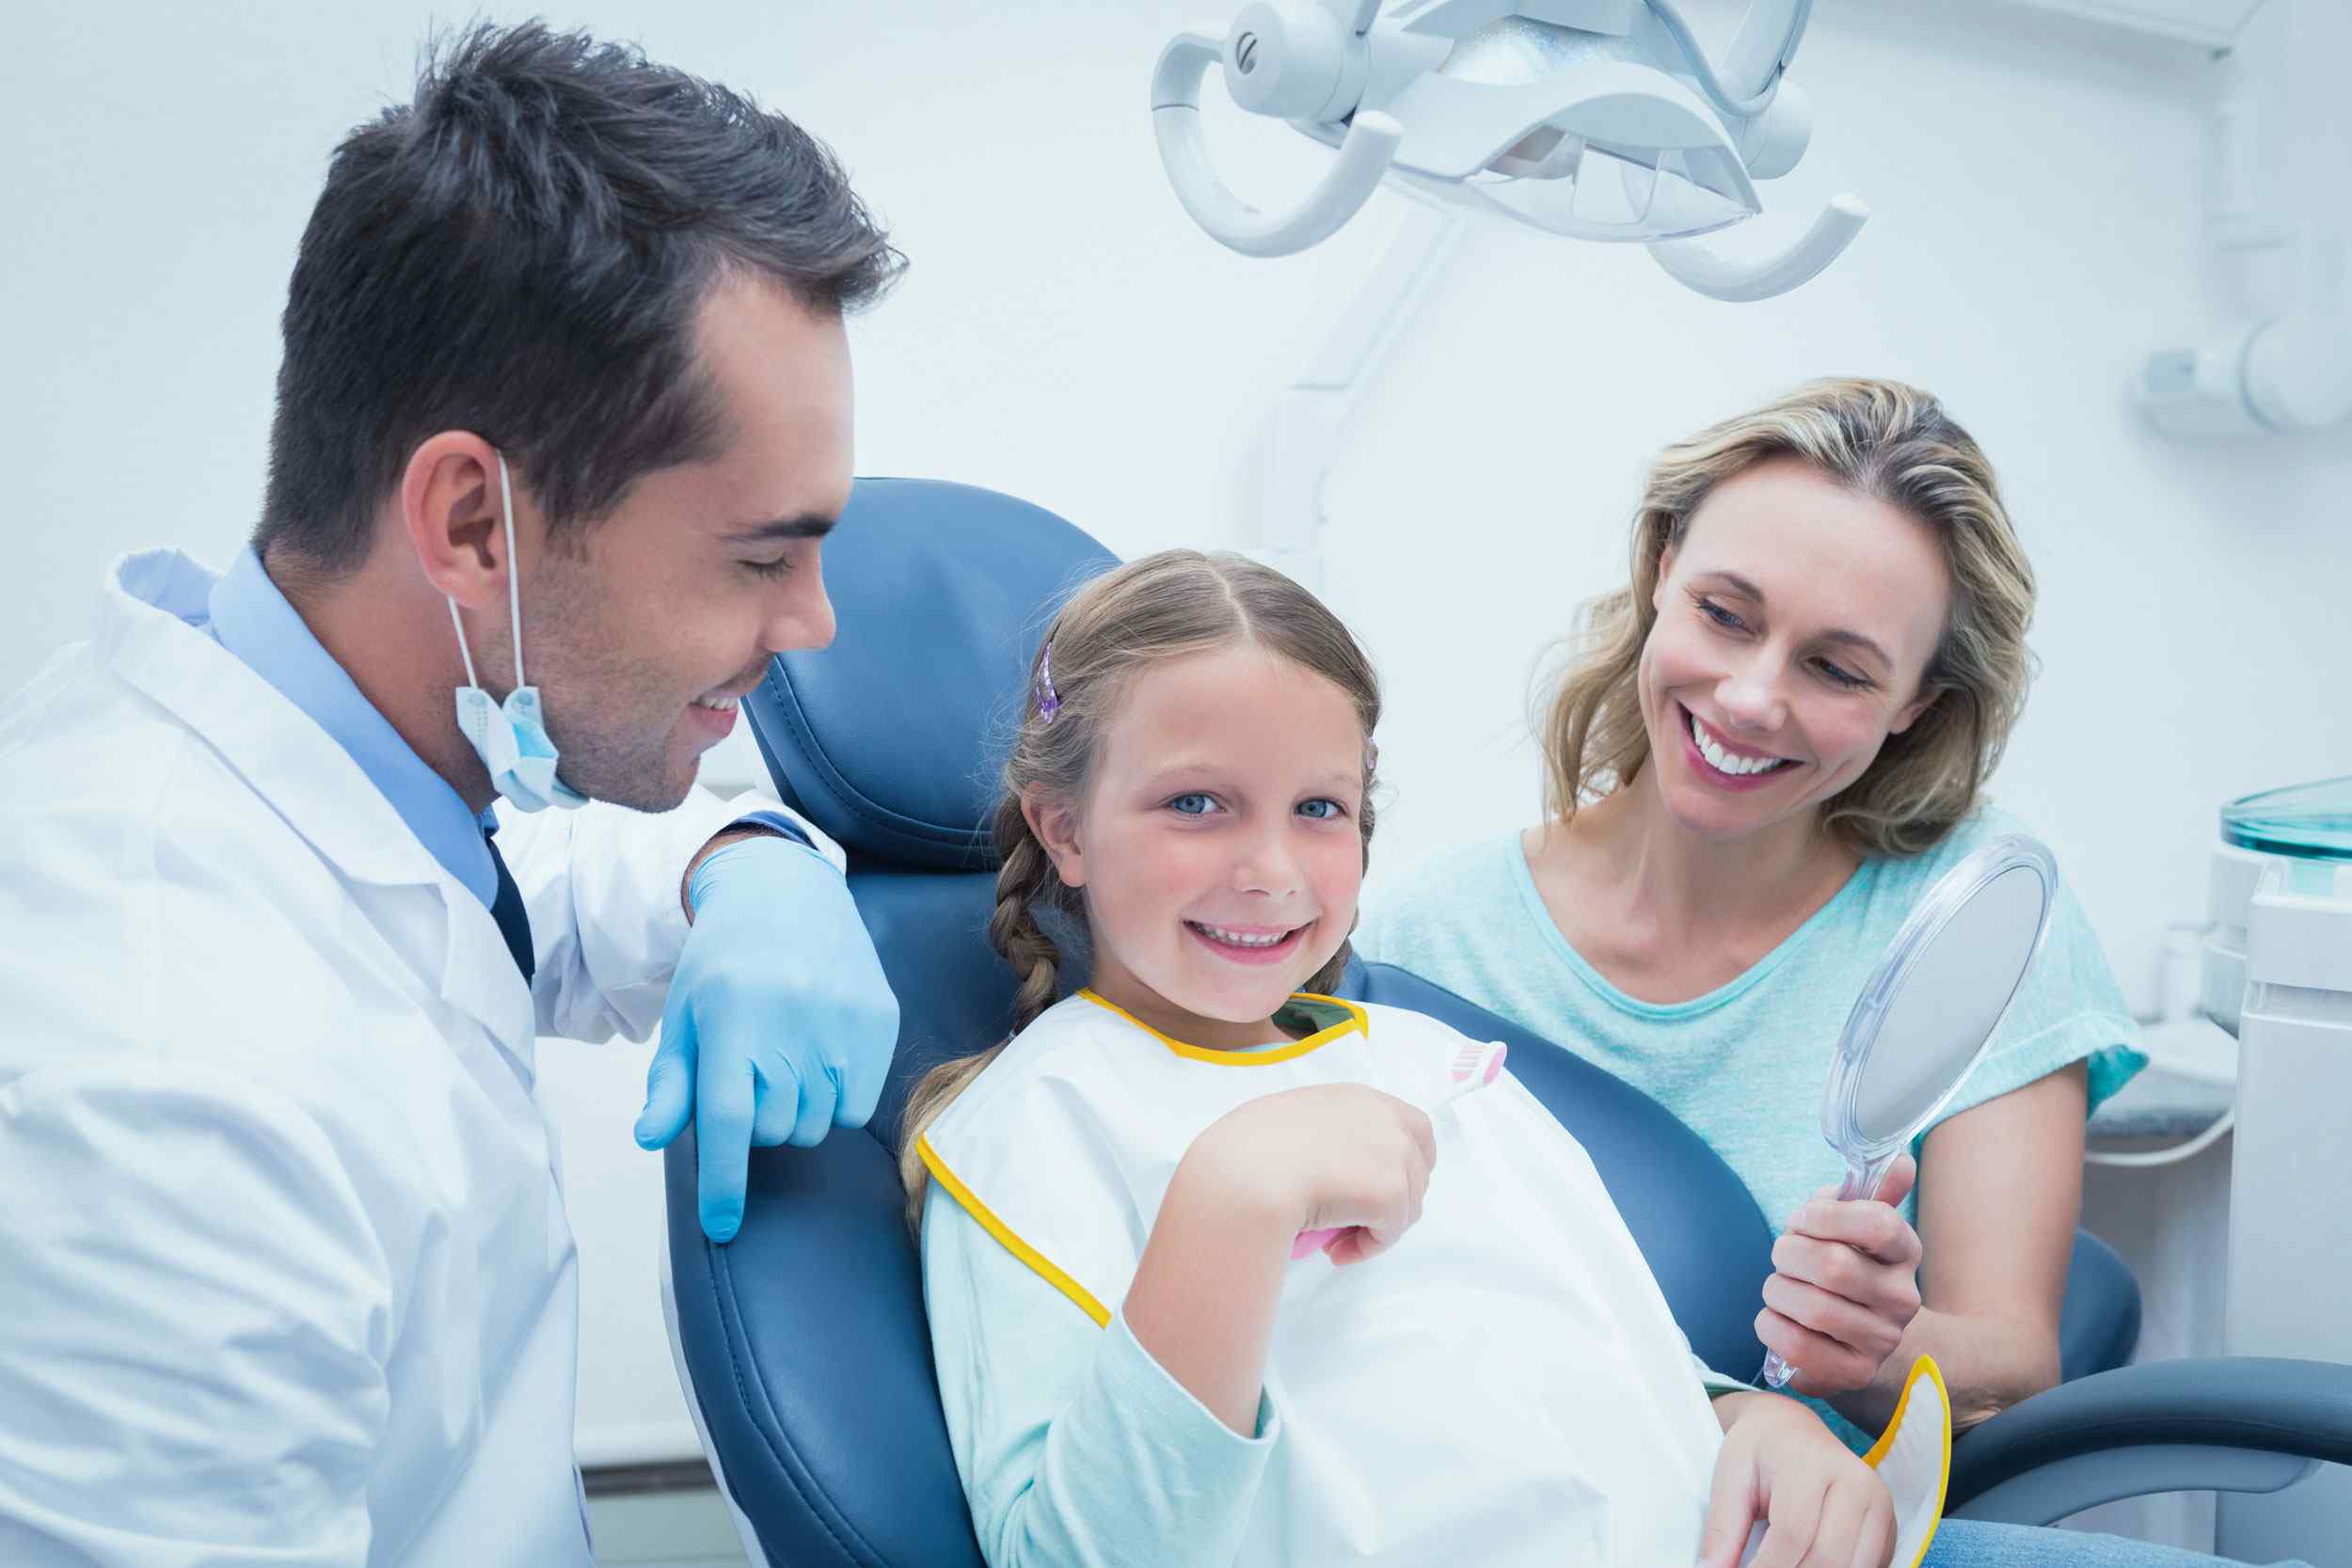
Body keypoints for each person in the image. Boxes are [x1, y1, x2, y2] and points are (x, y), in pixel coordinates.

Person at [898, 550, 2272, 1568]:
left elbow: (1595, 1342)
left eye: (1321, 806)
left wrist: (1751, 1421)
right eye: (1196, 802)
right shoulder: (1033, 1129)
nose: (1269, 866)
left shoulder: (1429, 1055)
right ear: (1063, 826)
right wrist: (1230, 1202)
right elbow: (1077, 1553)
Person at [0, 24, 901, 1562]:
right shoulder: (166, 1108)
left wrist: (751, 862)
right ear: (476, 521)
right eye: (761, 556)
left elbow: (521, 893)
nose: (816, 623)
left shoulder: (352, 766)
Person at [1355, 378, 2147, 1451]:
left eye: (1836, 667)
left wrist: (1872, 1353)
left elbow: (2012, 1366)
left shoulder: (1971, 914)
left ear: (1915, 702)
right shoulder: (1425, 943)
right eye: (1724, 615)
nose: (1748, 698)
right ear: (1660, 568)